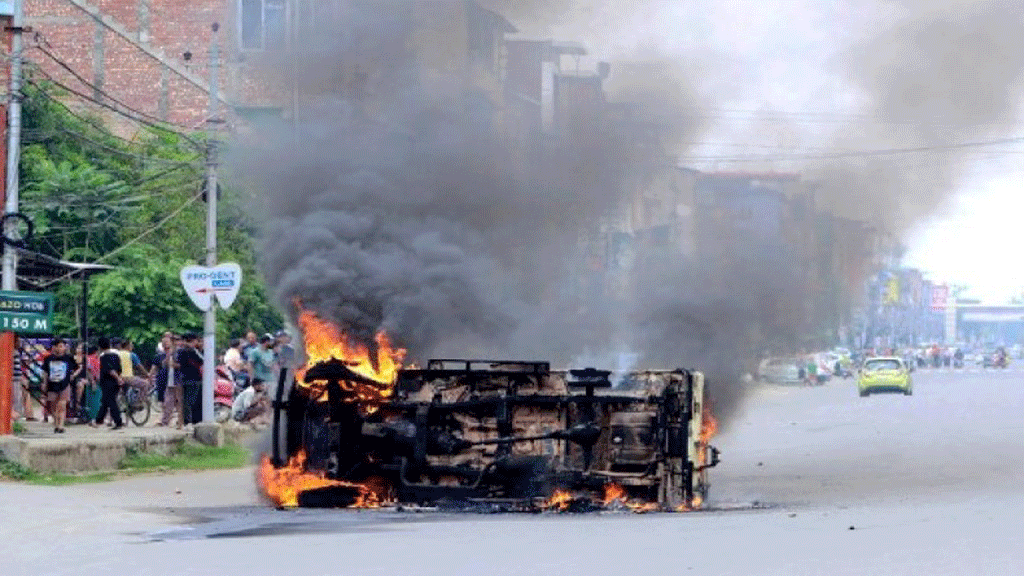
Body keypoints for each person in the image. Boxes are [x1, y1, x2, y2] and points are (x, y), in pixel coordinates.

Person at [41, 338, 78, 434]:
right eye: (57, 346)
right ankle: (56, 424)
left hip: (64, 385)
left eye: (61, 346)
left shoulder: (69, 358)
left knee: (62, 406)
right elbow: (45, 373)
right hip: (52, 385)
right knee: (53, 407)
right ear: (53, 347)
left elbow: (78, 367)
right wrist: (44, 384)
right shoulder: (48, 359)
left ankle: (61, 425)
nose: (59, 348)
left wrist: (73, 375)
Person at [92, 337, 124, 430]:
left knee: (111, 402)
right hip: (115, 382)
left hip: (108, 382)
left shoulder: (104, 358)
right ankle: (99, 420)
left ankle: (118, 422)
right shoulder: (116, 355)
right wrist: (119, 378)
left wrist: (118, 378)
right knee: (105, 402)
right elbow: (118, 369)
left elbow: (110, 370)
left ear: (100, 347)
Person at [176, 333, 204, 425]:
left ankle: (188, 421)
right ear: (193, 341)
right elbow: (203, 360)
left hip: (186, 378)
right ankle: (189, 422)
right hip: (194, 379)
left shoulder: (181, 351)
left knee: (187, 401)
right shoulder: (192, 351)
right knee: (191, 401)